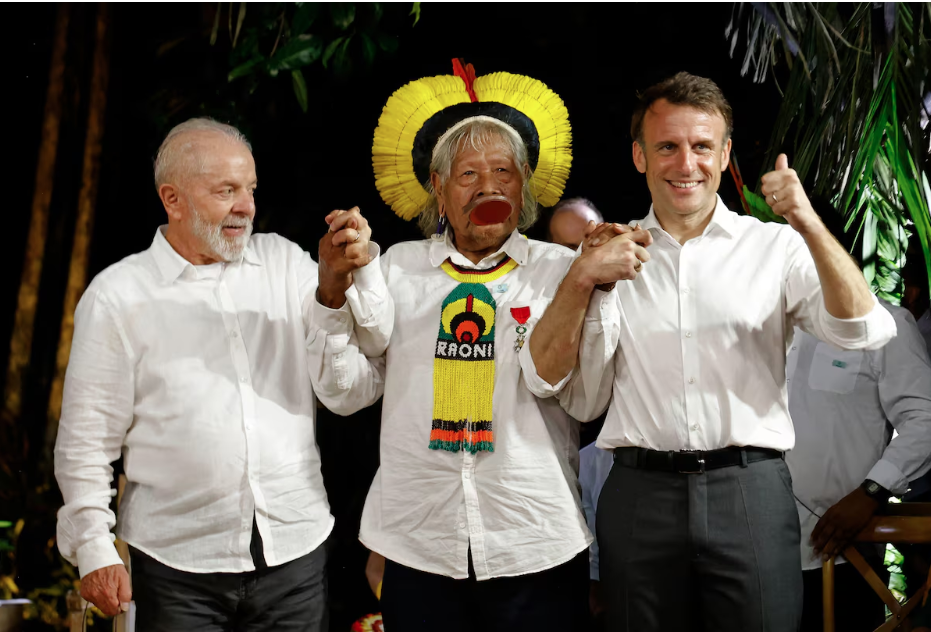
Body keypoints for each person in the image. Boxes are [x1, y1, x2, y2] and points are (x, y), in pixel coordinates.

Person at [527, 72, 897, 631]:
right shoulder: (610, 255)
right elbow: (582, 402)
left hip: (749, 491)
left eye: (702, 146)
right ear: (639, 156)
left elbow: (864, 329)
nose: (686, 163)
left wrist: (804, 219)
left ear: (724, 155)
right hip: (638, 494)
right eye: (667, 147)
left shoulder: (773, 245)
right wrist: (587, 280)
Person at [309, 60, 647, 631]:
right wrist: (332, 290)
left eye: (503, 171)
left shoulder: (563, 270)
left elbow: (587, 402)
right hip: (420, 544)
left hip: (534, 541)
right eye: (468, 174)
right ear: (438, 189)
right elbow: (345, 395)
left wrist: (587, 280)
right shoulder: (396, 270)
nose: (488, 187)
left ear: (524, 183)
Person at [54, 118, 390, 631]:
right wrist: (94, 548)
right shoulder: (118, 296)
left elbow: (349, 385)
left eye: (250, 189)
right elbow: (85, 440)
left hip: (294, 552)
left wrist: (345, 281)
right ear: (172, 199)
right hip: (175, 568)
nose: (246, 206)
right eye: (226, 191)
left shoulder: (285, 264)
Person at [787, 300, 931, 630]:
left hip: (839, 553)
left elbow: (924, 420)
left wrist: (872, 492)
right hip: (747, 552)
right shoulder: (757, 321)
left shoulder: (883, 321)